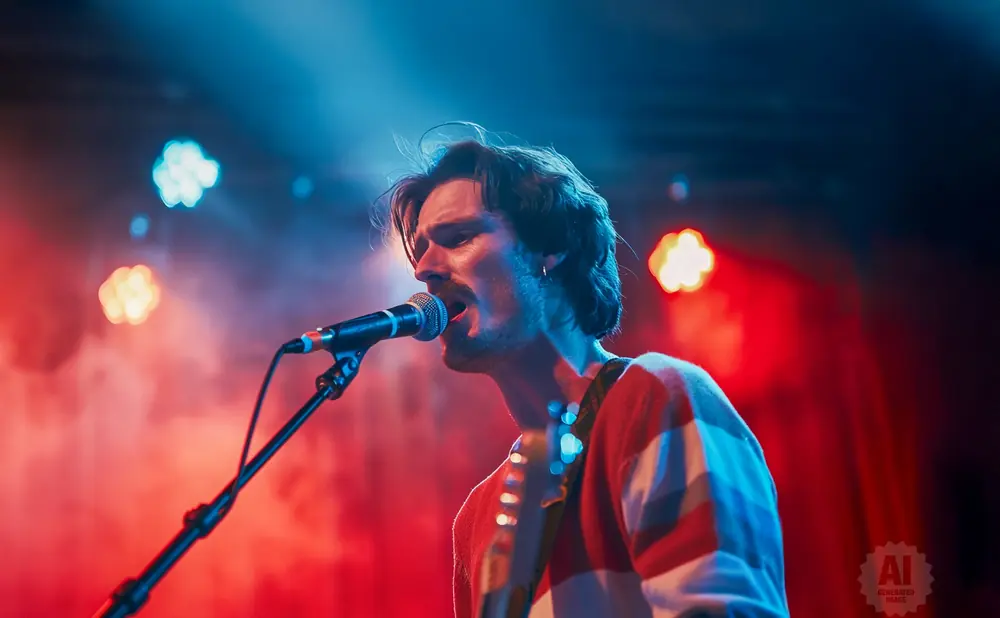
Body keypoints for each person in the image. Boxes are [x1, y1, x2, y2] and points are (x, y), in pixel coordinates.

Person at [384, 134, 789, 617]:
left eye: (458, 238)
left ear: (549, 247)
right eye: (421, 250)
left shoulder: (652, 398)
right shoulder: (476, 517)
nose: (424, 269)